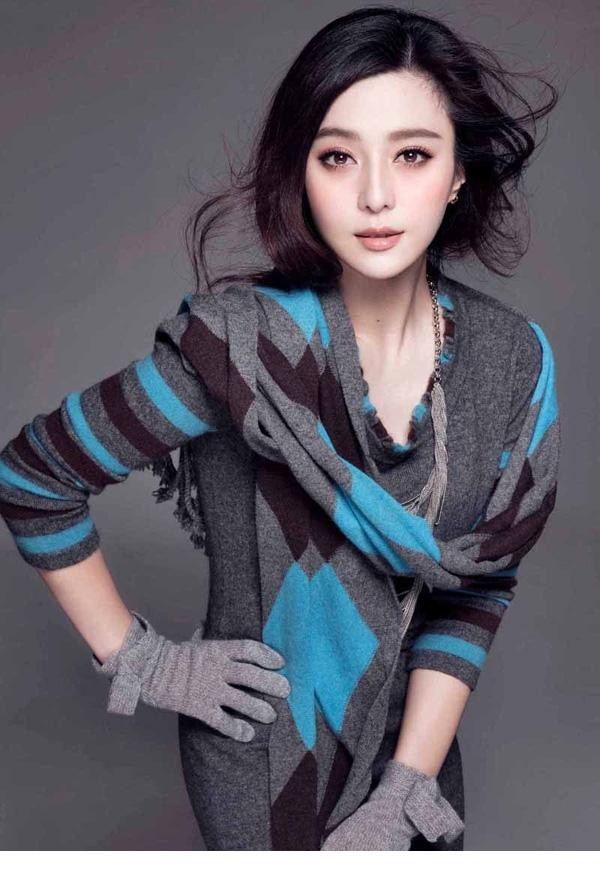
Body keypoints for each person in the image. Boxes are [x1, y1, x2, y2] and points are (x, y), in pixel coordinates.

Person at [0, 6, 561, 851]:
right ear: (301, 172)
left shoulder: (510, 358)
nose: (376, 195)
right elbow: (33, 476)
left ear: (457, 173)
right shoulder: (239, 348)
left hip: (414, 759)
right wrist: (146, 661)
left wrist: (404, 790)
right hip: (261, 764)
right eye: (338, 157)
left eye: (412, 155)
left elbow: (477, 586)